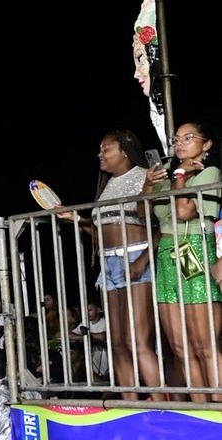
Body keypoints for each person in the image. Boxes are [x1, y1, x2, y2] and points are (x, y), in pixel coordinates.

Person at [68, 129, 163, 399]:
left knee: (137, 341)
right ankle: (130, 404)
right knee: (118, 342)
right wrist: (75, 219)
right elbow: (101, 231)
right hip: (109, 264)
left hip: (134, 257)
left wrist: (144, 260)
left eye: (106, 149)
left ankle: (162, 404)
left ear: (124, 151)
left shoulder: (144, 176)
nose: (100, 154)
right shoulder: (107, 185)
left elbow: (159, 225)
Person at [145, 121, 222, 401]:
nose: (180, 144)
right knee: (180, 348)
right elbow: (142, 213)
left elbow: (183, 211)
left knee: (205, 345)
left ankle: (218, 408)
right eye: (177, 139)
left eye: (188, 138)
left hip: (195, 250)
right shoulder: (168, 175)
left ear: (206, 144)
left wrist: (180, 175)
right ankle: (201, 409)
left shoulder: (210, 172)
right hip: (167, 253)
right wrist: (149, 184)